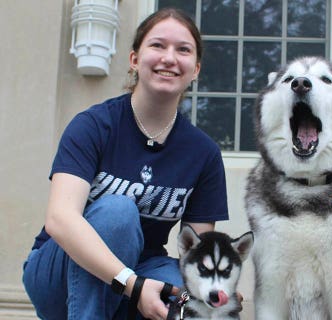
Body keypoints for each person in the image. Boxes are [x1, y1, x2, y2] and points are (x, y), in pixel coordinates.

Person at [22, 8, 230, 320]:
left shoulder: (203, 153)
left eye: (183, 50)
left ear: (195, 68)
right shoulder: (93, 126)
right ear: (134, 59)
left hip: (144, 267)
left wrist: (211, 292)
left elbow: (195, 256)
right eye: (158, 45)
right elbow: (60, 219)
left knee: (187, 298)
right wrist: (131, 283)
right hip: (58, 271)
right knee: (117, 212)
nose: (170, 58)